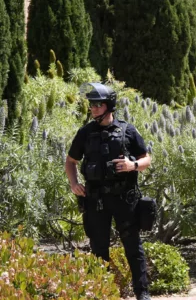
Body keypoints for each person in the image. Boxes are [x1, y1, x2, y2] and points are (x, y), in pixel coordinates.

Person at [65, 82, 153, 300]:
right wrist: (74, 183)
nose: (93, 108)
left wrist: (133, 166)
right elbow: (70, 161)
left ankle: (142, 294)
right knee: (98, 248)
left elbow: (146, 159)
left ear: (109, 105)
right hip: (96, 200)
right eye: (91, 105)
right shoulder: (85, 133)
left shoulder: (128, 130)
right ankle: (103, 293)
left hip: (124, 198)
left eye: (98, 104)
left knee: (133, 247)